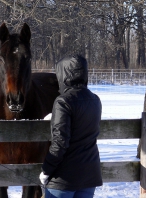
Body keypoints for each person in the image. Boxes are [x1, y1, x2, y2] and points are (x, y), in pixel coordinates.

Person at [39, 54, 102, 198]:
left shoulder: (63, 102)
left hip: (63, 179)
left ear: (63, 74)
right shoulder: (95, 100)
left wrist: (46, 170)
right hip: (89, 175)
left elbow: (60, 142)